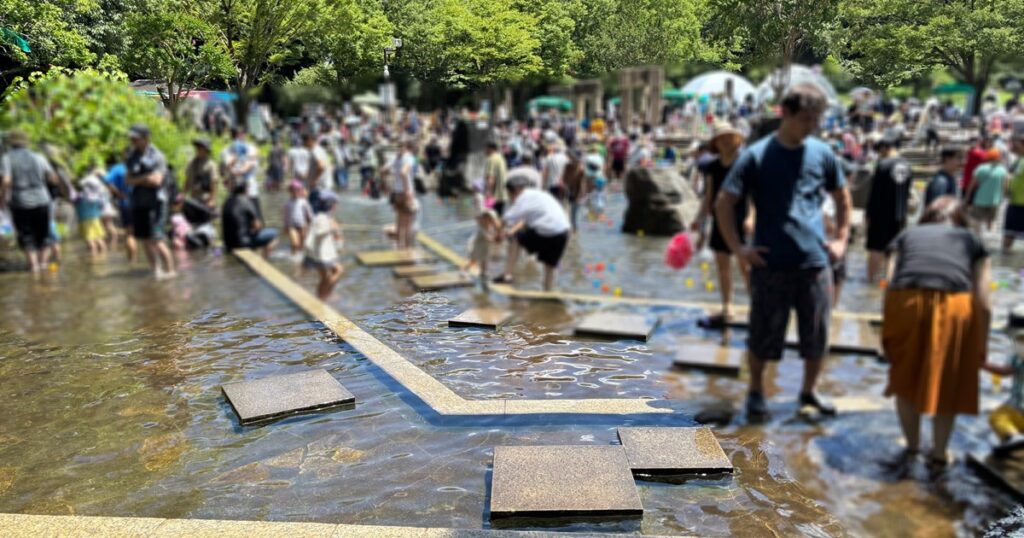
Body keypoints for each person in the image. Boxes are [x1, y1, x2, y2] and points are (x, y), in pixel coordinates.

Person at [715, 84, 852, 420]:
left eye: (816, 120)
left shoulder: (822, 154)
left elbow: (843, 198)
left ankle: (809, 391)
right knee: (762, 335)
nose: (812, 126)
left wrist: (842, 240)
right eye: (806, 119)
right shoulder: (756, 156)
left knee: (817, 334)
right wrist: (739, 250)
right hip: (770, 263)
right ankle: (756, 391)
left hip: (815, 262)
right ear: (786, 114)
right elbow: (724, 202)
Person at [882, 196, 990, 469]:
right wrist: (982, 343)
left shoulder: (907, 234)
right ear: (960, 218)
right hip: (955, 305)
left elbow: (889, 281)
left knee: (904, 376)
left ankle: (912, 445)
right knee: (949, 379)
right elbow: (984, 302)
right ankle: (940, 453)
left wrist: (887, 329)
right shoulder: (971, 239)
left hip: (905, 301)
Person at [692, 121, 751, 328]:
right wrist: (699, 220)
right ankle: (727, 305)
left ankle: (757, 305)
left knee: (746, 266)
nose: (726, 141)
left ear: (737, 140)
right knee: (722, 265)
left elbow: (754, 195)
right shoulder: (713, 167)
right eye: (722, 138)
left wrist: (752, 218)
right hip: (719, 219)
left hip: (741, 219)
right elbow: (708, 196)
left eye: (730, 137)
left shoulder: (745, 163)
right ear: (716, 143)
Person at [493, 173, 571, 291]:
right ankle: (548, 293)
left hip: (547, 231)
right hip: (563, 232)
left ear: (514, 191)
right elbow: (525, 220)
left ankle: (507, 275)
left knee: (515, 239)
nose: (510, 199)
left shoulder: (521, 199)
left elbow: (502, 221)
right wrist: (511, 231)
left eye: (509, 195)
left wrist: (498, 235)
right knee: (549, 265)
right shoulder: (537, 194)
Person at [0, 131, 59, 272]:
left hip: (20, 202)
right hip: (42, 200)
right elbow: (53, 178)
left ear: (11, 143)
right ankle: (44, 264)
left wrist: (2, 199)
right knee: (43, 234)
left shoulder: (7, 158)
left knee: (26, 235)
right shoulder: (39, 157)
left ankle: (34, 266)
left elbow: (7, 180)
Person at [125, 124, 175, 278]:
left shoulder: (157, 156)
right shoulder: (132, 156)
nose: (132, 140)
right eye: (131, 138)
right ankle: (156, 271)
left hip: (156, 204)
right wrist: (145, 178)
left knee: (158, 239)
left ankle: (170, 272)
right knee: (145, 239)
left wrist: (138, 180)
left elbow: (157, 181)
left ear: (146, 138)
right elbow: (128, 180)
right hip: (139, 203)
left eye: (136, 138)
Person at [864, 135, 913, 283]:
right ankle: (887, 283)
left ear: (885, 148)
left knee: (876, 248)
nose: (880, 154)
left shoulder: (883, 165)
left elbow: (875, 192)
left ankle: (871, 283)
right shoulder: (907, 165)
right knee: (893, 250)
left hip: (880, 214)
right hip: (900, 215)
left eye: (880, 151)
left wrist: (868, 214)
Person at [984, 325, 1024, 456]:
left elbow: (1003, 372)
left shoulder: (1018, 358)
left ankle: (1012, 437)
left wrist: (983, 365)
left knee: (996, 417)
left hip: (1018, 410)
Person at [221, 174, 278, 258]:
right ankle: (265, 258)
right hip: (243, 243)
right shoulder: (247, 201)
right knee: (274, 234)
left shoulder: (226, 202)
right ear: (245, 189)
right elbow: (258, 225)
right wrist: (253, 230)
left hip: (228, 244)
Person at [303, 191, 344, 299]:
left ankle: (322, 295)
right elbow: (319, 233)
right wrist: (331, 228)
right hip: (321, 255)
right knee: (338, 270)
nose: (336, 206)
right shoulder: (322, 218)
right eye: (335, 204)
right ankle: (324, 295)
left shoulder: (324, 217)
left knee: (325, 277)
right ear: (331, 205)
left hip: (318, 254)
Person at [104, 155, 137, 262]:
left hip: (126, 202)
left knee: (130, 234)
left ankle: (132, 260)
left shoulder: (118, 168)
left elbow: (106, 181)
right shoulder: (140, 165)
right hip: (142, 203)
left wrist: (118, 193)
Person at [966, 148, 1007, 233]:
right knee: (991, 222)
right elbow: (1004, 188)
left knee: (977, 222)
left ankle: (978, 241)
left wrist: (967, 197)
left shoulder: (980, 168)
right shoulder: (1003, 170)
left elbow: (972, 185)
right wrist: (1001, 199)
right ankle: (990, 239)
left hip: (979, 200)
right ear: (998, 158)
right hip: (994, 201)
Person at [223, 127, 260, 217]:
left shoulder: (252, 148)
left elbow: (250, 164)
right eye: (235, 135)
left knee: (255, 218)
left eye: (241, 134)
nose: (238, 137)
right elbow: (227, 166)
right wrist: (235, 155)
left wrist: (238, 172)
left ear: (245, 135)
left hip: (250, 190)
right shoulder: (227, 150)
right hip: (234, 190)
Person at [391, 140, 418, 250]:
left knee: (400, 222)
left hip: (396, 192)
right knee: (408, 223)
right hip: (405, 192)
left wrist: (387, 188)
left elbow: (383, 170)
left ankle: (399, 246)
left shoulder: (396, 158)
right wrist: (407, 190)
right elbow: (403, 172)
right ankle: (407, 249)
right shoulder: (409, 157)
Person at [74, 167, 109, 255]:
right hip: (95, 217)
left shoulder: (82, 196)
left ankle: (93, 260)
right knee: (99, 238)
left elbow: (75, 198)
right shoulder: (99, 193)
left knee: (90, 240)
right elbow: (102, 205)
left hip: (86, 219)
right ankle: (103, 257)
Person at [463, 208, 501, 285]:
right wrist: (495, 240)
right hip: (476, 245)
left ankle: (483, 273)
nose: (491, 220)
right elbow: (488, 238)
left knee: (485, 260)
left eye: (492, 219)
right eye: (489, 218)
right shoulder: (481, 227)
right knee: (474, 260)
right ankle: (464, 270)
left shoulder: (491, 226)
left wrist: (498, 234)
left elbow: (496, 233)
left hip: (485, 246)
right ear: (484, 219)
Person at [183, 138, 218, 209]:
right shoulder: (191, 163)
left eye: (200, 147)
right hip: (193, 197)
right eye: (197, 147)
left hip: (205, 199)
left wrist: (212, 200)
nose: (198, 149)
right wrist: (183, 194)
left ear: (206, 150)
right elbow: (187, 180)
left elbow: (213, 183)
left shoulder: (211, 165)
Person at [1005, 131, 1024, 253]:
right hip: (1014, 204)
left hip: (1021, 205)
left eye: (1015, 144)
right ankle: (1008, 267)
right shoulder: (1018, 160)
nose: (1013, 147)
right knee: (1008, 236)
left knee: (1009, 237)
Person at [283, 180, 313, 257]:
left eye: (298, 190)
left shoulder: (303, 202)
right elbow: (285, 216)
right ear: (290, 191)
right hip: (291, 226)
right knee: (295, 243)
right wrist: (285, 226)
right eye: (294, 190)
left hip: (302, 226)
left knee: (301, 245)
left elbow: (309, 213)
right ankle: (293, 257)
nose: (296, 192)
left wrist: (310, 223)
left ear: (301, 191)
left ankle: (299, 258)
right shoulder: (287, 203)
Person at [563, 150, 586, 233]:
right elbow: (564, 180)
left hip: (577, 194)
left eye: (572, 158)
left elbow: (582, 185)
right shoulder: (567, 167)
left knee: (574, 214)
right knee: (571, 214)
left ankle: (575, 232)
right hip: (569, 192)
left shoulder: (581, 170)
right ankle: (573, 231)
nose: (571, 160)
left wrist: (579, 196)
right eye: (570, 158)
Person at [484, 141, 508, 216]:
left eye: (486, 148)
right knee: (500, 217)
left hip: (494, 196)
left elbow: (491, 178)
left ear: (490, 149)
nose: (484, 151)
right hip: (503, 194)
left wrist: (488, 193)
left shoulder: (491, 159)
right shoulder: (501, 157)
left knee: (490, 218)